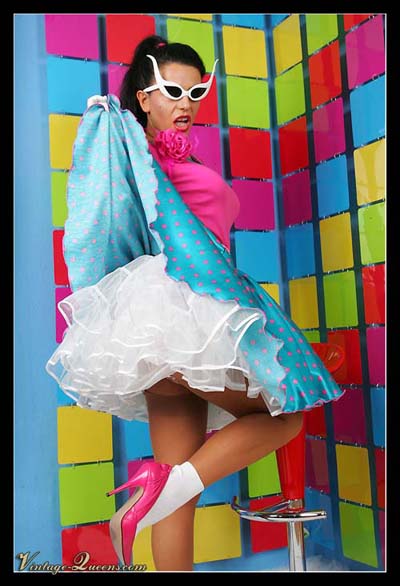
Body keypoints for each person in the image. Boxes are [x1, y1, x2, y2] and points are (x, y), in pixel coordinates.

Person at [46, 34, 345, 571]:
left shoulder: (161, 158)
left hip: (163, 325)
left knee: (176, 499)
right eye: (171, 91)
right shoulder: (139, 158)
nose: (185, 103)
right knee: (285, 417)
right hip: (186, 314)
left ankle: (158, 489)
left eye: (195, 92)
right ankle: (161, 487)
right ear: (144, 97)